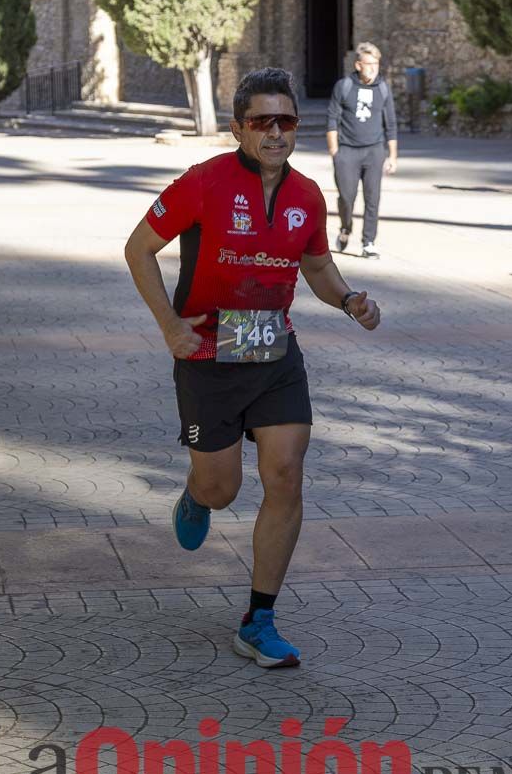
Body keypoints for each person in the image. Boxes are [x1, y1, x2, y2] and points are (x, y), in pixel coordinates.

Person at [124, 67, 380, 668]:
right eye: (260, 121)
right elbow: (138, 249)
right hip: (207, 358)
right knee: (221, 489)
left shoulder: (307, 196)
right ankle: (195, 494)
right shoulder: (202, 183)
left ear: (297, 128)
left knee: (286, 473)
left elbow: (315, 267)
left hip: (273, 355)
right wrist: (170, 325)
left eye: (285, 121)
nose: (274, 132)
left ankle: (258, 620)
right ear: (238, 128)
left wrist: (348, 299)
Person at [326, 41, 398, 258]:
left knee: (372, 198)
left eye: (376, 64)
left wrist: (392, 155)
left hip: (374, 151)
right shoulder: (344, 86)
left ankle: (368, 242)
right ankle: (345, 227)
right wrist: (334, 152)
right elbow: (332, 119)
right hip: (347, 151)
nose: (373, 68)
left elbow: (391, 124)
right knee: (346, 197)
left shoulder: (383, 88)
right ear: (358, 65)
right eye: (369, 64)